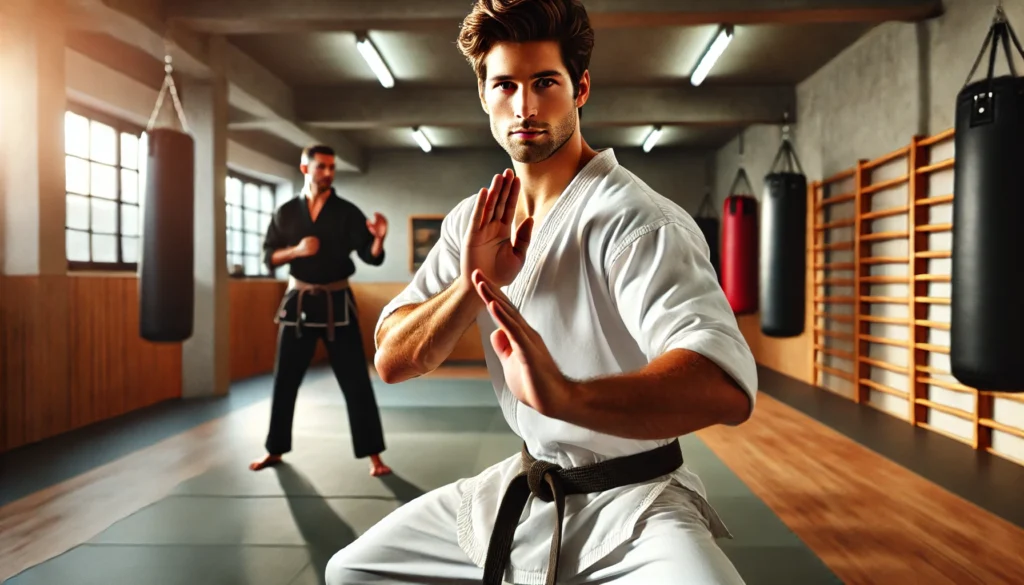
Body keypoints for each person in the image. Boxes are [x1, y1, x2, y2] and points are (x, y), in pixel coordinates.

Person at [326, 0, 757, 582]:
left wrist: (568, 397)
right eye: (505, 85)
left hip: (639, 504)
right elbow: (394, 360)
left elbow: (723, 383)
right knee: (354, 571)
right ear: (483, 95)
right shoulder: (472, 222)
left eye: (544, 82)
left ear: (580, 88)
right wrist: (473, 284)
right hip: (529, 489)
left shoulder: (636, 220)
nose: (524, 106)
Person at [250, 144, 392, 478]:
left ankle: (374, 455)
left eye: (332, 167)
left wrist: (378, 240)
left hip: (337, 304)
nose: (328, 173)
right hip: (297, 304)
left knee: (356, 380)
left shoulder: (347, 212)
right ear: (305, 169)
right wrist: (296, 250)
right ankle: (274, 449)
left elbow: (370, 258)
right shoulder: (286, 212)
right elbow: (268, 257)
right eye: (322, 167)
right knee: (285, 380)